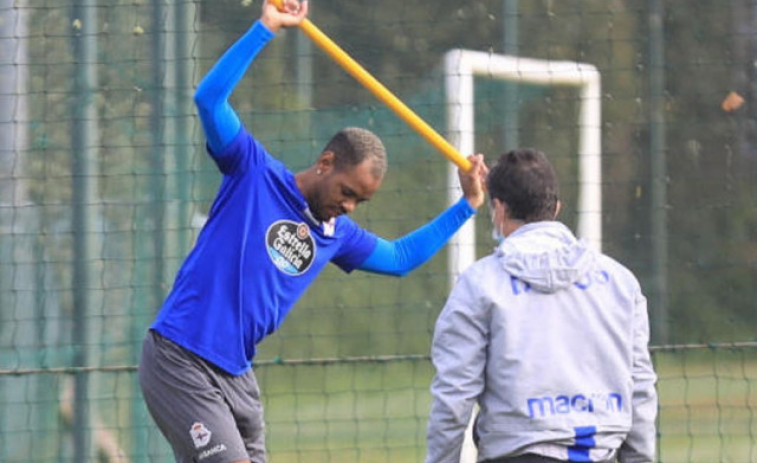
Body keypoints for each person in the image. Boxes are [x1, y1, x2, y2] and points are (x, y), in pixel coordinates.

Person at [137, 1, 488, 462]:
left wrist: (468, 205)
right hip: (180, 359)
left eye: (360, 202)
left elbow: (401, 258)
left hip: (238, 378)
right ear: (325, 163)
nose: (348, 206)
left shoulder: (337, 234)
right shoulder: (253, 171)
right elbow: (208, 99)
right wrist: (265, 29)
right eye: (347, 191)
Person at [425, 149, 657, 463]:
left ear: (499, 209)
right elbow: (640, 388)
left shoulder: (480, 283)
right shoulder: (619, 282)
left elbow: (454, 395)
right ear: (556, 208)